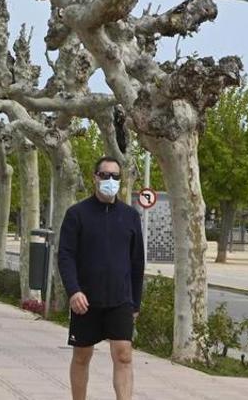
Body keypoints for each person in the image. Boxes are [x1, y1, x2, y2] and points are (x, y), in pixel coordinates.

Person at [57, 156, 145, 400]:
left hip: (120, 299)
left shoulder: (130, 216)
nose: (110, 180)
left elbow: (137, 262)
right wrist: (73, 290)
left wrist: (135, 302)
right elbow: (65, 256)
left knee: (124, 355)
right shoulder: (77, 214)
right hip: (85, 300)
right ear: (95, 177)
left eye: (115, 176)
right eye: (105, 175)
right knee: (82, 356)